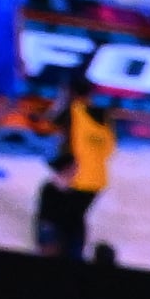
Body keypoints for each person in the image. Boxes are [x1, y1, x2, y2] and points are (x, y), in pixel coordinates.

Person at [32, 70, 113, 255]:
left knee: (52, 207)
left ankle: (51, 249)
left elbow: (47, 124)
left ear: (71, 92)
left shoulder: (72, 111)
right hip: (98, 180)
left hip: (75, 178)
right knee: (75, 218)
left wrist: (61, 99)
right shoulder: (104, 115)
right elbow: (108, 149)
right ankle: (74, 252)